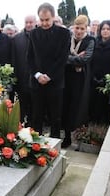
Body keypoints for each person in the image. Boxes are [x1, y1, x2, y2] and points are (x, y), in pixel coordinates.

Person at [27, 3, 70, 138]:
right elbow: (30, 58)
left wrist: (49, 75)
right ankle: (35, 146)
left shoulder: (64, 33)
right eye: (42, 20)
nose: (44, 23)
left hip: (55, 82)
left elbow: (62, 58)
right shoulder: (33, 33)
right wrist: (38, 75)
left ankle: (54, 146)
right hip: (37, 82)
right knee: (36, 116)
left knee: (55, 117)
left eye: (47, 20)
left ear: (53, 17)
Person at [61, 15, 95, 148]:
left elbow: (85, 59)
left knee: (78, 108)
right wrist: (75, 58)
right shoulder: (67, 40)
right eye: (77, 28)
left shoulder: (90, 41)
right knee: (65, 107)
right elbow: (61, 57)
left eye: (82, 28)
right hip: (66, 78)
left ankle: (80, 137)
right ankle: (67, 136)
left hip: (81, 80)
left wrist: (69, 58)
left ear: (86, 28)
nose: (79, 31)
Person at [90, 20, 110, 124]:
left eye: (108, 29)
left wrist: (107, 79)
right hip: (94, 80)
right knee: (93, 105)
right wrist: (93, 76)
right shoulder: (94, 43)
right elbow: (90, 62)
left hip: (109, 81)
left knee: (105, 106)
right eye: (103, 29)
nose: (105, 31)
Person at [12, 15, 37, 125]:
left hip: (36, 79)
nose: (28, 24)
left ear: (35, 22)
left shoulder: (40, 37)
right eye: (26, 22)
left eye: (31, 22)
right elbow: (13, 59)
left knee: (35, 108)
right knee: (21, 107)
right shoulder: (16, 39)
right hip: (21, 79)